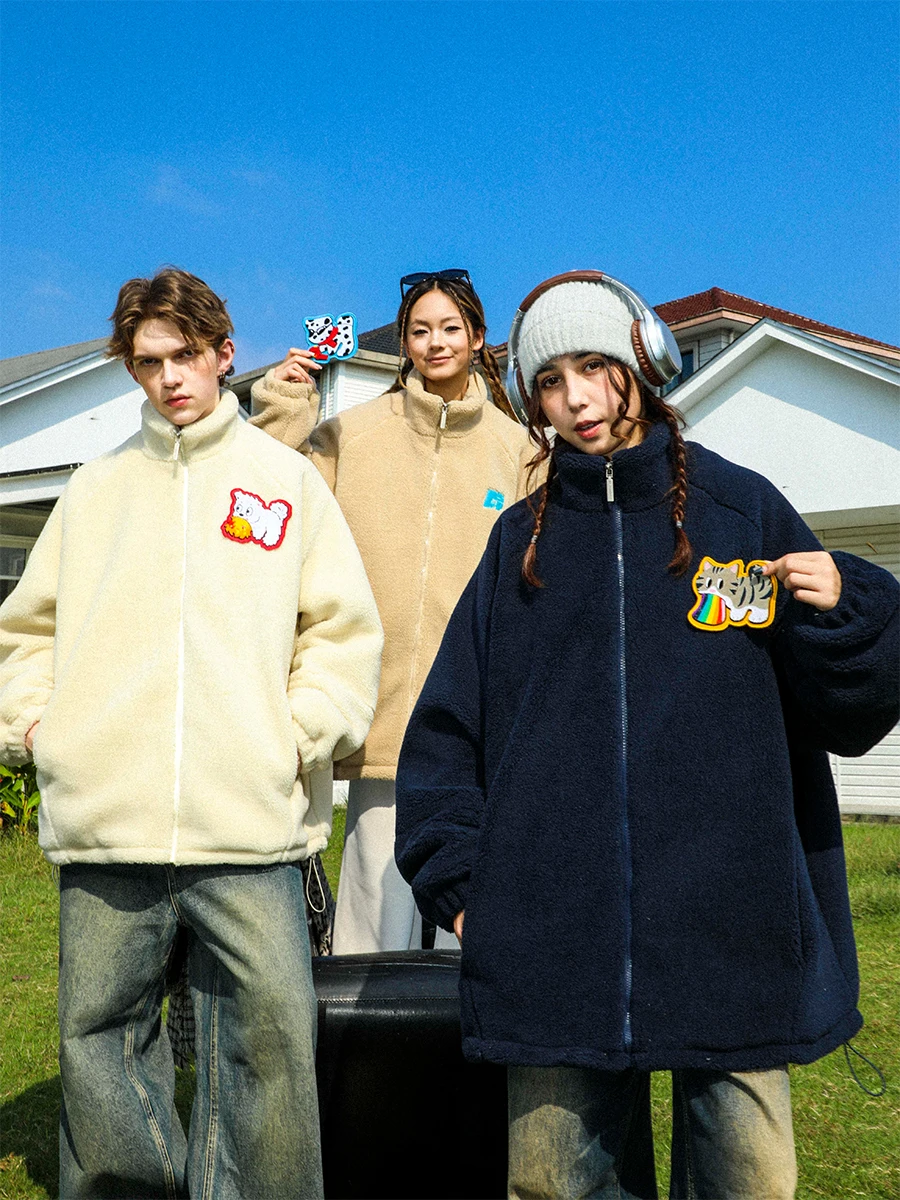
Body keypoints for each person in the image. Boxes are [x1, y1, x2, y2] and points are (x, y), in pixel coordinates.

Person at [394, 271, 899, 1200]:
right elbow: (444, 734)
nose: (576, 399)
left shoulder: (741, 514)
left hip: (734, 925)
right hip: (552, 939)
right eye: (551, 381)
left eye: (594, 367)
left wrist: (852, 611)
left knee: (750, 1186)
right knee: (553, 1186)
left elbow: (851, 715)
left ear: (645, 362)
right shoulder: (518, 546)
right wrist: (465, 889)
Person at [0, 267, 383, 1200]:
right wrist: (38, 727)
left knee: (269, 1042)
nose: (169, 377)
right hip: (108, 820)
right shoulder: (95, 491)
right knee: (99, 1037)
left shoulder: (287, 483)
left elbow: (341, 634)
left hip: (250, 820)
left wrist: (295, 733)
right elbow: (26, 631)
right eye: (147, 362)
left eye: (184, 355)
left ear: (224, 353)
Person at [251, 269, 535, 953]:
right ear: (403, 342)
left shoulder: (521, 452)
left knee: (469, 916)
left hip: (474, 719)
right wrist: (286, 405)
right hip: (374, 714)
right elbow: (266, 501)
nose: (436, 342)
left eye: (450, 328)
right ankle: (359, 1026)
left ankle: (468, 1028)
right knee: (373, 915)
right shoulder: (350, 435)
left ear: (477, 337)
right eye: (420, 330)